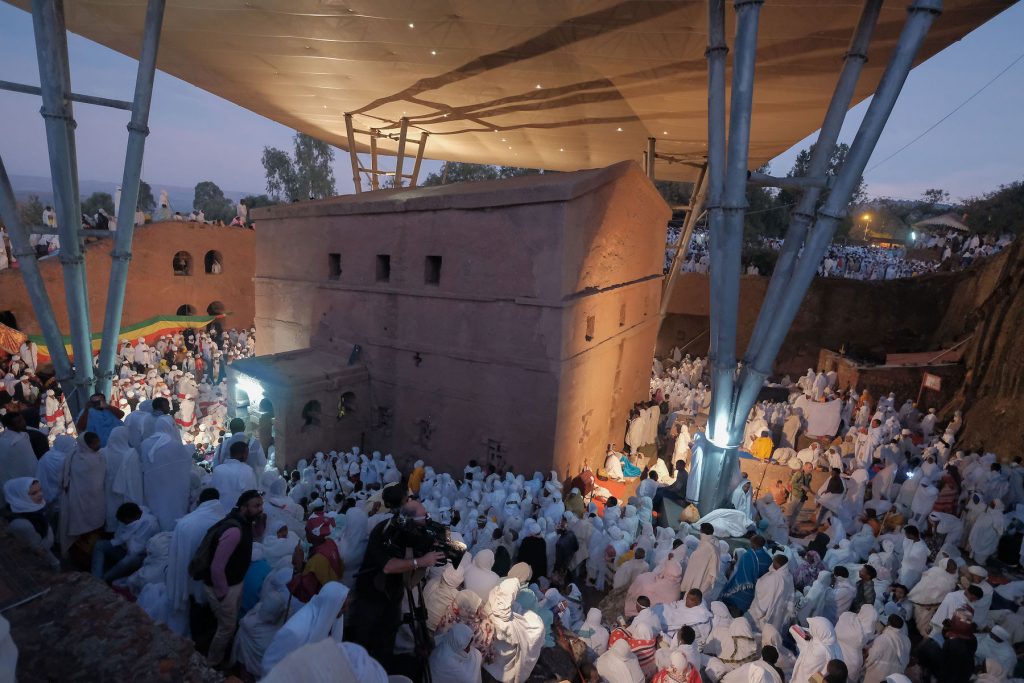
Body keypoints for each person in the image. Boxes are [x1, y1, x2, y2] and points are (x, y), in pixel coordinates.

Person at [345, 499, 446, 668]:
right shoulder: (385, 531)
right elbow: (388, 566)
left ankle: (381, 670)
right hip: (372, 594)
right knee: (363, 639)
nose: (427, 519)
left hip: (393, 594)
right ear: (409, 519)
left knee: (387, 639)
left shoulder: (414, 531)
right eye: (424, 516)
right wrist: (421, 561)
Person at [192, 489, 266, 667]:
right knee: (227, 628)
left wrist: (260, 522)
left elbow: (256, 536)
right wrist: (223, 593)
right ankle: (212, 662)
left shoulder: (245, 522)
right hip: (225, 588)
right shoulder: (234, 530)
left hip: (234, 583)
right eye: (256, 506)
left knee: (227, 623)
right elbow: (217, 567)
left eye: (261, 505)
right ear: (243, 507)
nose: (260, 509)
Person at [58, 432, 107, 557]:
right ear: (86, 445)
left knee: (95, 526)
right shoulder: (78, 458)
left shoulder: (96, 456)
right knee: (84, 529)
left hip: (96, 499)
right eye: (94, 443)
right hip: (81, 499)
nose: (98, 444)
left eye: (98, 441)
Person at [90, 502, 158, 582]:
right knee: (99, 545)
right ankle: (95, 578)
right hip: (124, 548)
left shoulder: (149, 524)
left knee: (129, 559)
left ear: (135, 517)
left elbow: (136, 550)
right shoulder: (130, 517)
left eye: (126, 522)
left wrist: (126, 538)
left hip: (138, 557)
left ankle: (103, 580)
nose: (124, 524)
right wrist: (126, 538)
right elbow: (118, 536)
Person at [2, 477, 57, 568]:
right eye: (33, 493)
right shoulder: (22, 524)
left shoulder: (31, 510)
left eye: (40, 490)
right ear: (19, 496)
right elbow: (40, 551)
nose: (40, 494)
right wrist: (55, 563)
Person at [720, 535, 771, 614]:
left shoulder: (748, 556)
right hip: (759, 588)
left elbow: (741, 572)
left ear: (753, 544)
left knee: (734, 598)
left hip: (744, 586)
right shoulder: (768, 558)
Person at [0, 413, 41, 508]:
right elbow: (29, 467)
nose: (23, 423)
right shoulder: (17, 442)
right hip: (19, 483)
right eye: (18, 422)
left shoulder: (23, 436)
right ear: (9, 426)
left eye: (22, 420)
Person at [211, 440, 257, 518]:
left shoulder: (218, 470)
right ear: (243, 454)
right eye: (247, 454)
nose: (247, 456)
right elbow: (253, 493)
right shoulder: (247, 470)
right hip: (240, 516)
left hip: (219, 515)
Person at [748, 554, 793, 632]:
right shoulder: (789, 576)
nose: (772, 564)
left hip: (766, 613)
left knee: (758, 632)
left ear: (778, 565)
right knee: (771, 632)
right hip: (778, 613)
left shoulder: (774, 577)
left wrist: (760, 582)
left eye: (774, 562)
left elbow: (764, 596)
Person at [863, 615, 911, 683]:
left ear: (888, 623)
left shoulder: (884, 638)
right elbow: (906, 660)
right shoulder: (907, 640)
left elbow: (873, 656)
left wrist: (865, 664)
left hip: (878, 673)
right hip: (895, 675)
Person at [680, 523, 719, 594]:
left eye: (700, 531)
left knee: (693, 595)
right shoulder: (715, 543)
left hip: (699, 578)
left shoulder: (706, 546)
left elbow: (694, 565)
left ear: (702, 532)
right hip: (706, 579)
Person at [787, 462, 814, 531]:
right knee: (790, 512)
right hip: (795, 495)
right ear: (804, 467)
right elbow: (792, 483)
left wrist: (812, 492)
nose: (811, 469)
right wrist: (802, 486)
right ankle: (786, 526)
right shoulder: (799, 474)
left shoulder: (809, 476)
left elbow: (807, 485)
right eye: (809, 467)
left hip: (802, 497)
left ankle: (791, 527)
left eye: (812, 467)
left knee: (796, 513)